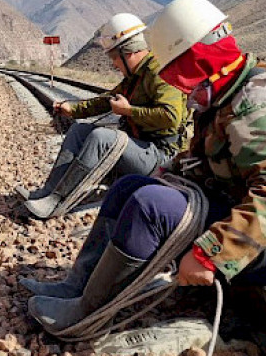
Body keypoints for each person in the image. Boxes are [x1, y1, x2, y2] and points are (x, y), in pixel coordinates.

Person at [26, 0, 266, 332]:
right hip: (233, 209)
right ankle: (77, 287)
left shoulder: (256, 106)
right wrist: (167, 173)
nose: (177, 85)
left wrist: (212, 252)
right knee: (130, 188)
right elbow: (204, 158)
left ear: (194, 61)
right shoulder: (228, 91)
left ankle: (87, 315)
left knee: (150, 205)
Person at [17, 12, 189, 220]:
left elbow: (171, 117)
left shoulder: (160, 74)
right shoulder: (136, 75)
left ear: (128, 52)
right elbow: (107, 100)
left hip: (161, 157)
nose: (114, 64)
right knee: (79, 130)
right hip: (141, 148)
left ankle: (59, 202)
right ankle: (47, 192)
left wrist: (128, 111)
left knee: (101, 138)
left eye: (114, 57)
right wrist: (74, 109)